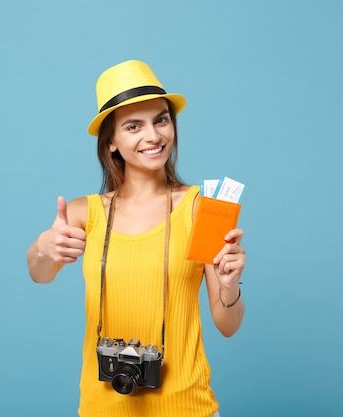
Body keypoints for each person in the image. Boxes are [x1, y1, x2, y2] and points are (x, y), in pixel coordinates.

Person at [26, 60, 246, 417]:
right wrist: (43, 247)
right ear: (111, 142)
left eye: (161, 119)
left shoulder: (201, 209)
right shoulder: (85, 213)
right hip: (102, 408)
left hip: (187, 408)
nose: (154, 136)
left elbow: (228, 324)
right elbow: (39, 273)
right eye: (133, 126)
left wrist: (229, 286)